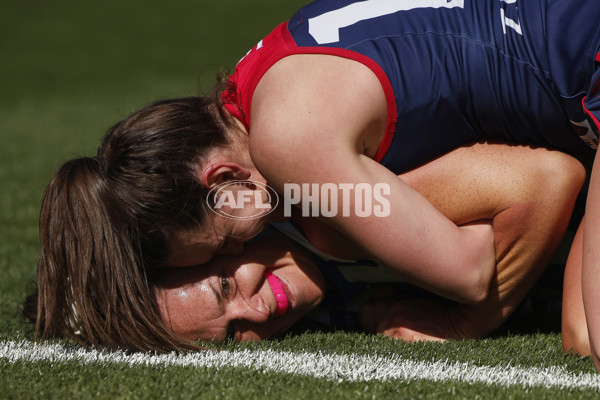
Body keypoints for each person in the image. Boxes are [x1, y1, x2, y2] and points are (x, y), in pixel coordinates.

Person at [32, 0, 600, 355]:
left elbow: (471, 272)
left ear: (224, 178)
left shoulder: (297, 166)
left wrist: (460, 322)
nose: (256, 238)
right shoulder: (260, 87)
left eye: (229, 245)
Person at [27, 142, 584, 350]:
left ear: (213, 247)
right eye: (232, 335)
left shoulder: (333, 209)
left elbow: (547, 180)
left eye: (227, 287)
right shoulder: (323, 302)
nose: (255, 311)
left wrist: (467, 320)